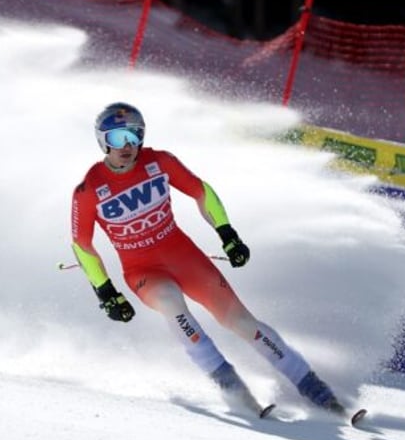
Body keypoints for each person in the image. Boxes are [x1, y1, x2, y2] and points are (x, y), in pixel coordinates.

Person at [70, 102, 346, 418]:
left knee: (240, 323)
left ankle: (314, 387)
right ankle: (230, 385)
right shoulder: (89, 189)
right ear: (103, 141)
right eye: (118, 138)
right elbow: (82, 244)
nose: (128, 145)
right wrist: (106, 292)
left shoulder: (159, 161)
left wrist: (227, 234)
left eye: (134, 134)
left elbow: (202, 192)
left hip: (185, 258)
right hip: (143, 271)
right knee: (170, 301)